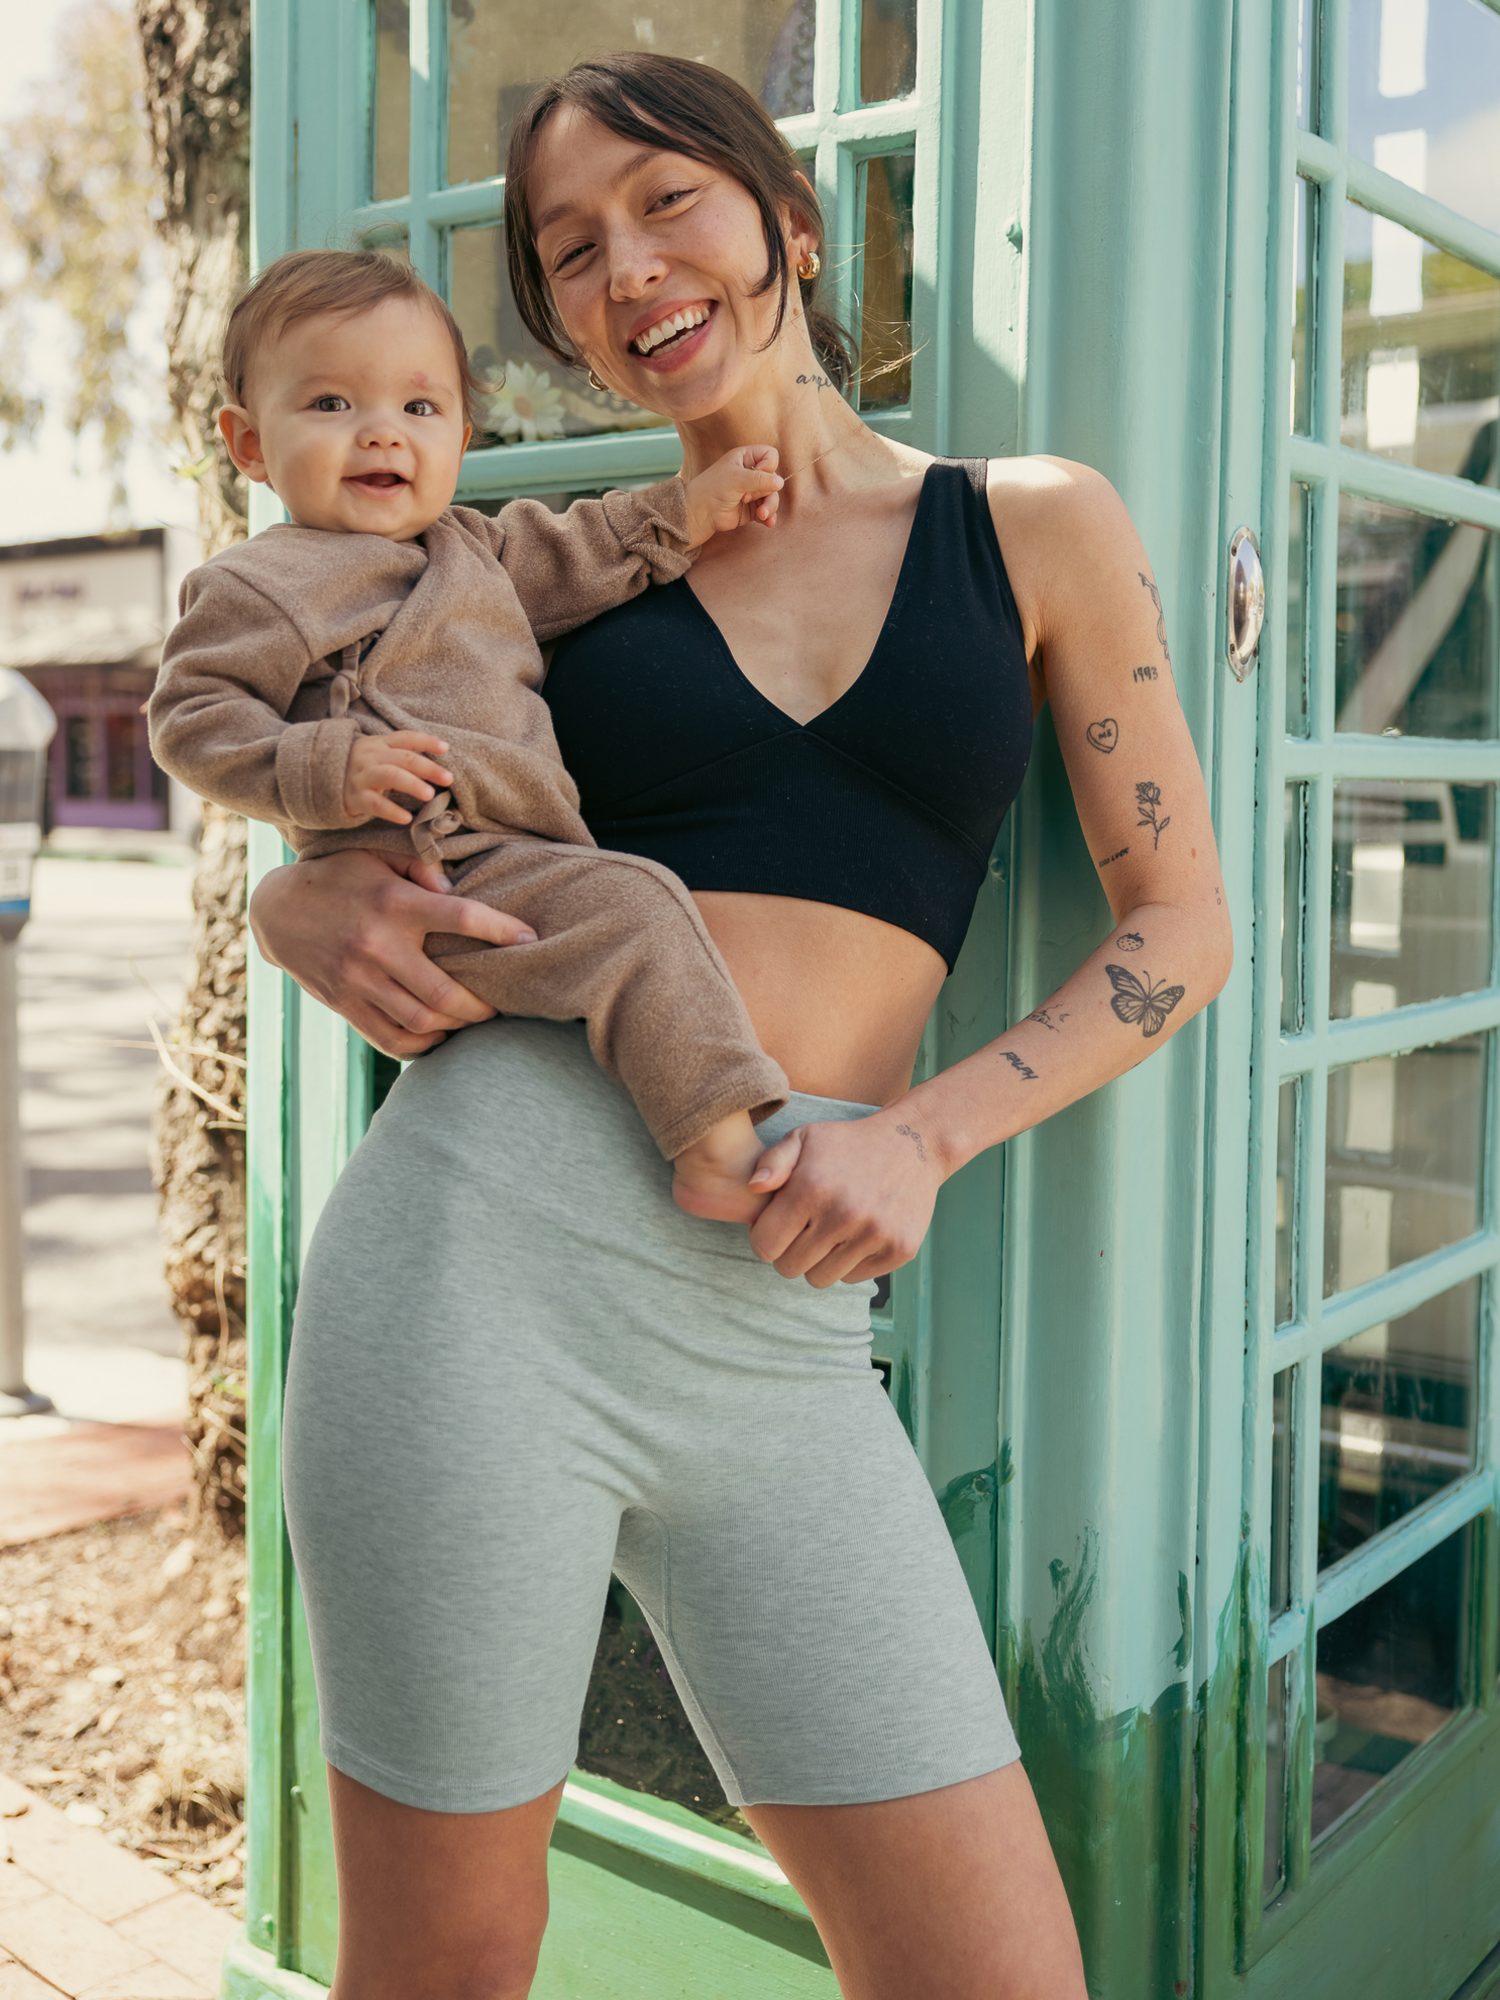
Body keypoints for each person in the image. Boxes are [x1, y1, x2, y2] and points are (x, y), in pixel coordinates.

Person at [249, 51, 1233, 2000]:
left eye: (666, 201)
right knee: (448, 1962)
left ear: (786, 215)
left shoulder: (1024, 524)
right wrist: (304, 889)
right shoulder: (545, 588)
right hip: (478, 1266)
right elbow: (331, 791)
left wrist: (924, 1134)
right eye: (569, 248)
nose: (628, 267)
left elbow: (1185, 921)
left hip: (791, 1329)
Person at [150, 247, 796, 1218]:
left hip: (516, 847)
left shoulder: (475, 547)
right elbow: (190, 718)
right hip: (428, 862)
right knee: (638, 911)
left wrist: (692, 511)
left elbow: (589, 545)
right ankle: (719, 1147)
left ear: (462, 432)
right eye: (330, 404)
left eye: (419, 408)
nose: (381, 434)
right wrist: (326, 765)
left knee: (619, 931)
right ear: (248, 445)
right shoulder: (259, 582)